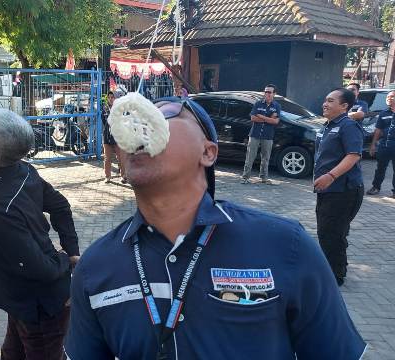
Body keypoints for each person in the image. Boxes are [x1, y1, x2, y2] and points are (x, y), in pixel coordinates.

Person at [65, 95, 366, 359]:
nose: (139, 125)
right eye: (133, 118)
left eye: (166, 111)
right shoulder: (95, 267)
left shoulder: (286, 245)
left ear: (208, 152)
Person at [0, 109, 79, 359]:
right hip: (21, 302)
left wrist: (68, 258)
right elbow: (60, 207)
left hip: (42, 307)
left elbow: (41, 268)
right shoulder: (20, 170)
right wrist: (70, 253)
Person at [314, 88, 364, 286]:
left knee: (332, 233)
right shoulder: (327, 126)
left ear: (344, 106)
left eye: (331, 101)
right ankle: (331, 268)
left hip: (344, 190)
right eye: (325, 100)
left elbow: (353, 155)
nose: (325, 104)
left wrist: (330, 175)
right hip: (327, 189)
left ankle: (335, 276)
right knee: (327, 231)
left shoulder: (348, 126)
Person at [241, 84, 281, 184]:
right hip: (255, 134)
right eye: (265, 92)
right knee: (250, 156)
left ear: (274, 94)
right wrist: (269, 118)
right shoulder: (258, 103)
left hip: (268, 135)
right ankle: (245, 177)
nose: (267, 94)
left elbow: (276, 122)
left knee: (266, 157)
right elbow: (253, 118)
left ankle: (264, 177)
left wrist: (261, 116)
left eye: (269, 92)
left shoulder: (277, 106)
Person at [366, 90, 395, 198]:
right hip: (384, 145)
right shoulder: (383, 113)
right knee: (380, 168)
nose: (388, 98)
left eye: (391, 96)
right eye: (387, 97)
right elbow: (378, 130)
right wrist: (373, 145)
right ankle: (376, 187)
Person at [102, 91, 125, 183]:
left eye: (113, 97)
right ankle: (107, 176)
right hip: (107, 137)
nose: (111, 99)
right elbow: (104, 121)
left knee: (120, 158)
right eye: (109, 97)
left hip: (118, 137)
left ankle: (123, 176)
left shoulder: (120, 109)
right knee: (107, 158)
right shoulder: (105, 109)